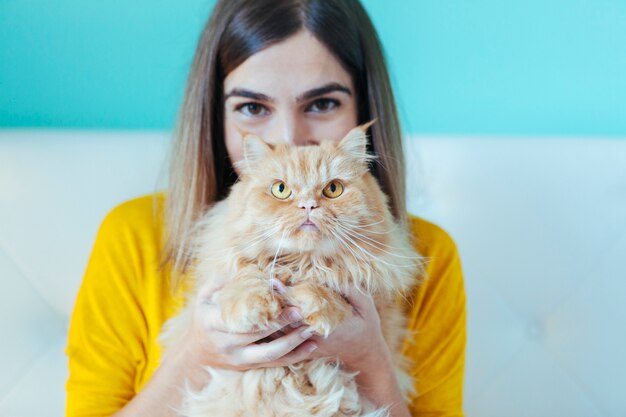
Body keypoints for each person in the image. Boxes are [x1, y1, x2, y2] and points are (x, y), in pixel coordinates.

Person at [65, 1, 466, 416]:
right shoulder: (132, 235)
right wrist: (199, 355)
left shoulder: (431, 255)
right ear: (214, 115)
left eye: (322, 103)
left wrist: (370, 362)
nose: (289, 139)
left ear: (365, 109)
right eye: (253, 108)